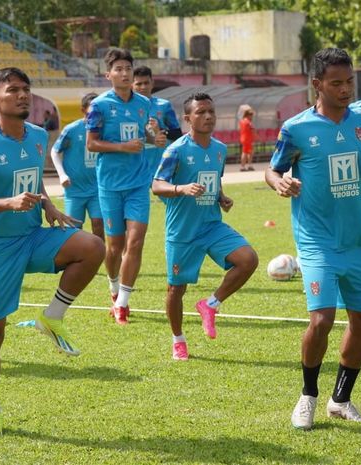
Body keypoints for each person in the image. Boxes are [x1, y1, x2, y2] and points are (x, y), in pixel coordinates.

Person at [0, 67, 105, 439]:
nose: (22, 96)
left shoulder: (38, 135)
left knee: (92, 247)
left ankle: (51, 318)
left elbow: (33, 178)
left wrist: (48, 205)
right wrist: (8, 202)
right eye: (13, 90)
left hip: (32, 235)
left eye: (26, 90)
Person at [266, 47, 361, 430]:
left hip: (359, 240)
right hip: (317, 242)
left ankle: (340, 400)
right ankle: (307, 396)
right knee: (322, 319)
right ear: (316, 85)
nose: (345, 89)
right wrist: (281, 182)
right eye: (336, 83)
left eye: (349, 82)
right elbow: (273, 171)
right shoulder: (296, 128)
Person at [151, 93, 258, 360]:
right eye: (201, 112)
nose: (208, 116)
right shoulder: (176, 150)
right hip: (182, 231)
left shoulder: (220, 149)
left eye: (211, 111)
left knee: (248, 259)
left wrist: (220, 196)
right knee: (176, 289)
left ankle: (210, 304)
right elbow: (156, 185)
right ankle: (178, 340)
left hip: (211, 226)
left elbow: (213, 180)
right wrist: (181, 188)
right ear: (188, 119)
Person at [85, 48, 167, 325]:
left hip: (138, 183)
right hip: (109, 185)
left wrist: (153, 136)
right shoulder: (99, 106)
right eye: (118, 69)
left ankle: (122, 303)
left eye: (128, 68)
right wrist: (122, 147)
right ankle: (112, 286)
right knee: (114, 246)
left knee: (136, 241)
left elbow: (143, 135)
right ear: (108, 74)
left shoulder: (144, 104)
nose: (124, 73)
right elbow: (92, 144)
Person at [50, 92, 104, 242]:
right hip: (74, 189)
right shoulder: (71, 130)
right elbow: (54, 151)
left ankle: (100, 256)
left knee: (99, 224)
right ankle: (78, 259)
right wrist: (62, 174)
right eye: (90, 112)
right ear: (83, 110)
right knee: (74, 229)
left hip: (97, 188)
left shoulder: (104, 129)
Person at [132, 65, 182, 181]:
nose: (143, 87)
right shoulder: (127, 108)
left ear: (152, 83)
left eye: (146, 83)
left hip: (161, 164)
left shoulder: (164, 105)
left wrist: (160, 131)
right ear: (131, 85)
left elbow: (177, 134)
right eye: (139, 84)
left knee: (169, 197)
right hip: (136, 165)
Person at [239, 105, 255, 171]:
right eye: (251, 115)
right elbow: (252, 130)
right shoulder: (248, 122)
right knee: (245, 152)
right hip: (247, 139)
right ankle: (243, 166)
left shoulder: (242, 121)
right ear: (248, 115)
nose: (252, 117)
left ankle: (248, 165)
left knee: (249, 152)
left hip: (244, 138)